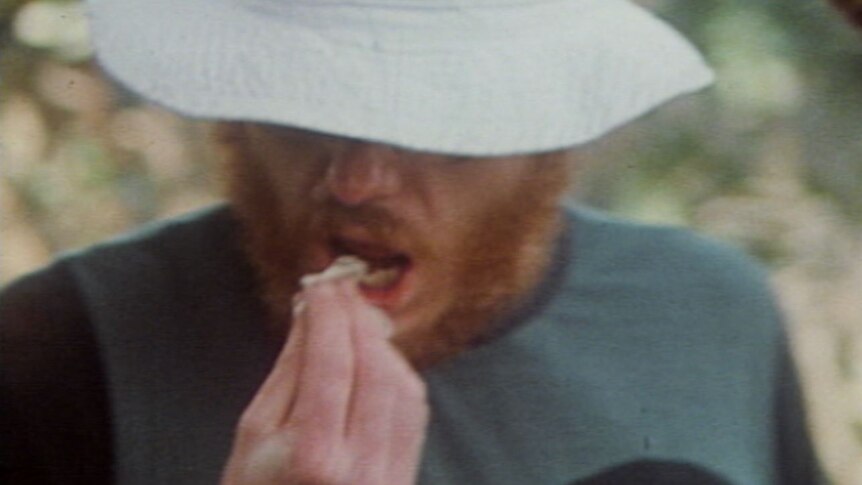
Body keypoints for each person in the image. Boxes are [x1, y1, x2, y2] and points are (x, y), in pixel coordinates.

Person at [0, 0, 824, 484]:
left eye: (439, 123)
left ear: (548, 140)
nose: (355, 181)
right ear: (236, 116)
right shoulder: (62, 349)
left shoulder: (714, 313)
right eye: (306, 108)